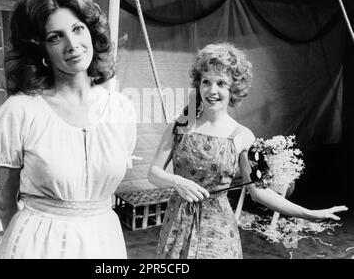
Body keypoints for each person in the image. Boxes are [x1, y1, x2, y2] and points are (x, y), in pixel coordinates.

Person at [148, 42, 348, 259]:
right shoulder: (179, 126)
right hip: (177, 224)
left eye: (221, 83)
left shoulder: (242, 136)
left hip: (218, 230)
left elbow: (259, 191)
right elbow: (154, 173)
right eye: (206, 82)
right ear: (198, 84)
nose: (212, 90)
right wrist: (177, 182)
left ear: (233, 89)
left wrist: (308, 213)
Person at [0, 0, 137, 259]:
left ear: (91, 31)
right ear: (41, 48)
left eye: (78, 29)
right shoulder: (20, 112)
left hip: (103, 240)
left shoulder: (121, 109)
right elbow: (4, 203)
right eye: (56, 37)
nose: (72, 45)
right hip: (37, 245)